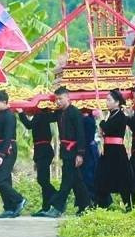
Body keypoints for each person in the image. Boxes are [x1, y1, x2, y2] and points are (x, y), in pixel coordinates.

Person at [34, 87, 91, 218]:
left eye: (60, 99)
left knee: (66, 181)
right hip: (65, 151)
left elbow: (81, 134)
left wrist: (80, 154)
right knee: (77, 181)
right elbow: (46, 118)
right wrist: (36, 107)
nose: (58, 102)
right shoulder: (59, 113)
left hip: (74, 150)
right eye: (56, 99)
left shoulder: (75, 113)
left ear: (67, 97)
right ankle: (86, 206)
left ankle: (58, 208)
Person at [95, 90, 134, 208]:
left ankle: (129, 205)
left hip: (117, 151)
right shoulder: (111, 115)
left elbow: (108, 128)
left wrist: (101, 120)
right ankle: (102, 205)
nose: (106, 102)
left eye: (109, 100)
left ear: (117, 102)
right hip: (108, 150)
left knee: (122, 178)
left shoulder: (121, 116)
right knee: (101, 177)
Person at [19, 108, 58, 212]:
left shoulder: (41, 115)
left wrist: (20, 113)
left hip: (44, 151)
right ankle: (46, 206)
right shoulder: (43, 115)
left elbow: (28, 125)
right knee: (44, 180)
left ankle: (58, 197)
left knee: (42, 179)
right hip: (41, 151)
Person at [80, 109, 99, 201]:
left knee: (88, 175)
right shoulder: (88, 119)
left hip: (88, 151)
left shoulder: (87, 120)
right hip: (89, 150)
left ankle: (92, 199)